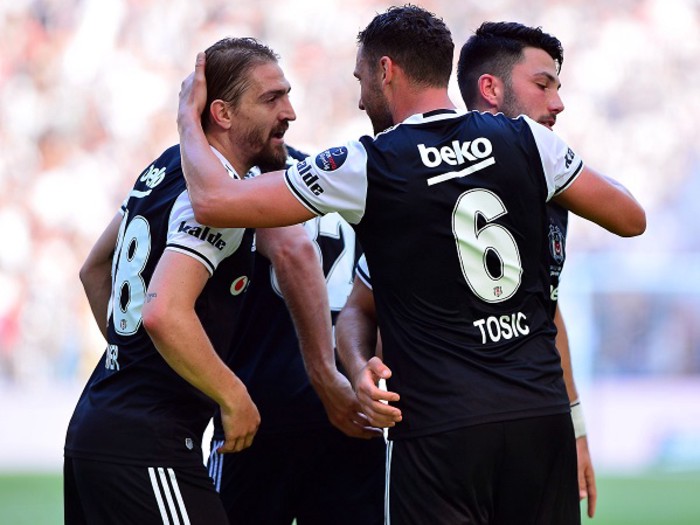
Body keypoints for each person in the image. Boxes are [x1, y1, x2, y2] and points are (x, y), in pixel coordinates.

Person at [177, 5, 646, 524]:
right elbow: (631, 218)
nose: (360, 98)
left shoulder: (369, 163)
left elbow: (213, 202)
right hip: (539, 417)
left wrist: (187, 119)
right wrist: (359, 365)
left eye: (361, 79)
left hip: (441, 432)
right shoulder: (529, 142)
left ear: (386, 71)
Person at [64, 37, 341, 525]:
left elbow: (94, 269)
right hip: (148, 442)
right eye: (271, 99)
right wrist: (233, 395)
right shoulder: (218, 198)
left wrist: (136, 360)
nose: (290, 113)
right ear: (223, 114)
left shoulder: (163, 167)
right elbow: (163, 312)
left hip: (99, 422)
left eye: (288, 95)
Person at [336, 20, 598, 519]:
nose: (557, 103)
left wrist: (576, 425)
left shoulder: (541, 181)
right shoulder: (415, 177)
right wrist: (357, 367)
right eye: (542, 85)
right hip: (442, 432)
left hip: (531, 424)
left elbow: (547, 310)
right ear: (491, 88)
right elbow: (359, 307)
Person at [206, 146, 385, 525]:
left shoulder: (236, 182)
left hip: (260, 411)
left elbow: (295, 250)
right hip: (352, 407)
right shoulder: (342, 177)